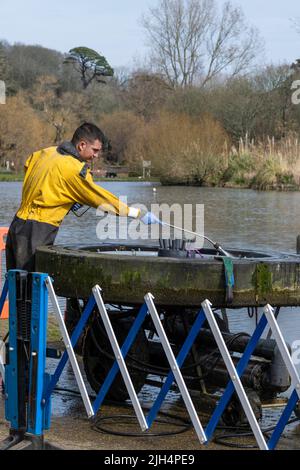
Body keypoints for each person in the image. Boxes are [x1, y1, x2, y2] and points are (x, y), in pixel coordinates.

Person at [6, 122, 159, 272]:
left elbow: (29, 166)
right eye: (95, 150)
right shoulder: (75, 170)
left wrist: (56, 193)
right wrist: (138, 214)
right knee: (33, 286)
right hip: (39, 229)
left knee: (16, 284)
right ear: (81, 145)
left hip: (17, 223)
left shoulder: (46, 152)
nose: (96, 155)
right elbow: (101, 199)